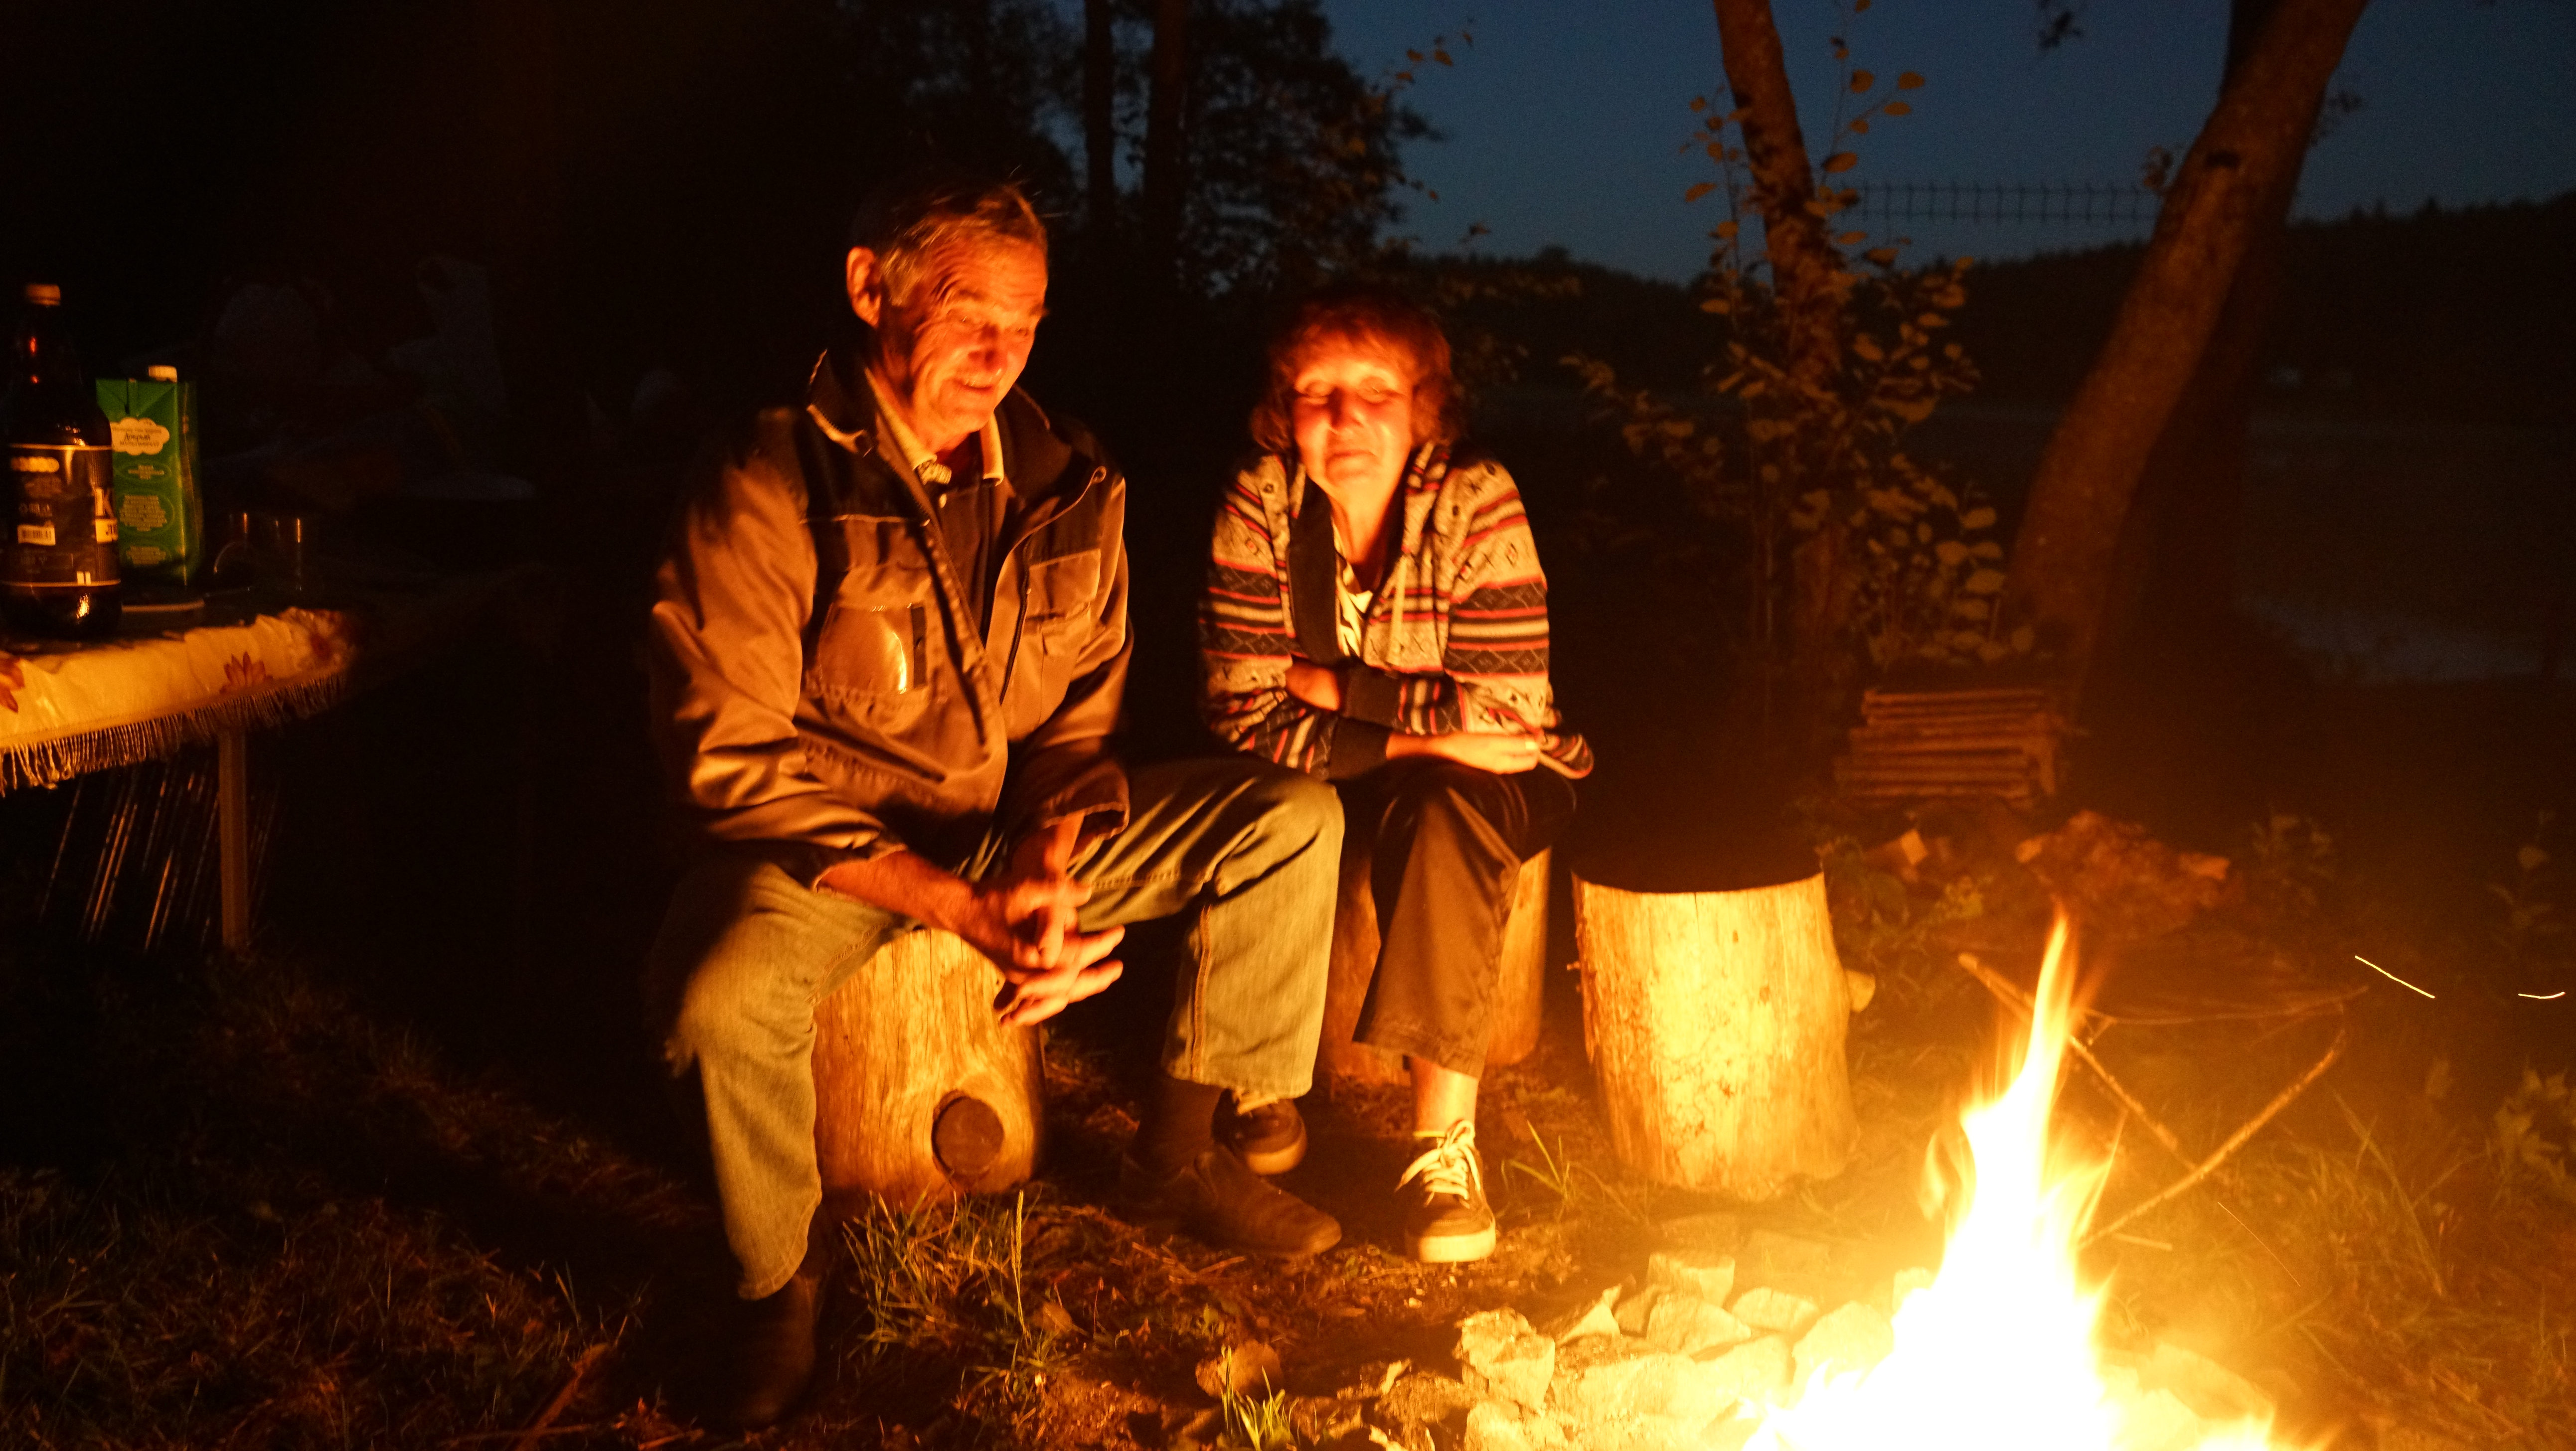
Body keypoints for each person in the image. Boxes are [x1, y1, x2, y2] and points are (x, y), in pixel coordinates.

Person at [644, 172, 1343, 1430]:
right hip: (832, 849)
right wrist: (948, 899)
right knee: (719, 997)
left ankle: (1176, 1157)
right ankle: (775, 1282)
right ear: (871, 288)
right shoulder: (767, 478)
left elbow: (1080, 725)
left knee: (1290, 817)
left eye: (1026, 320)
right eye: (970, 313)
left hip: (998, 837)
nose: (1000, 351)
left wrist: (1045, 857)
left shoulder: (1071, 478)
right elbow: (726, 760)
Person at [1199, 284, 1591, 1265]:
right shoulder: (1260, 500)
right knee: (1266, 799)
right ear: (1283, 408)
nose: (1343, 417)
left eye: (1375, 389)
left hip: (1498, 770)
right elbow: (1238, 705)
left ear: (1425, 407)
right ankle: (1258, 1071)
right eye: (1316, 389)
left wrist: (1324, 684)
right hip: (1355, 763)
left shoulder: (1475, 498)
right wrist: (1416, 728)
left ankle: (1440, 1147)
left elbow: (1501, 715)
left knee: (1447, 808)